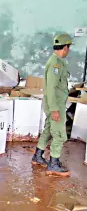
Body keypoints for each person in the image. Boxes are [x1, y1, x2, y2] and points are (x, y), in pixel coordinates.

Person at [32, 33, 73, 177]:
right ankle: (53, 164)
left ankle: (38, 156)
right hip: (55, 105)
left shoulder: (57, 61)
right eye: (69, 47)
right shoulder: (55, 63)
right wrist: (55, 109)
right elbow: (51, 88)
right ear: (66, 47)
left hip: (54, 103)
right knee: (60, 135)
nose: (69, 50)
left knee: (49, 129)